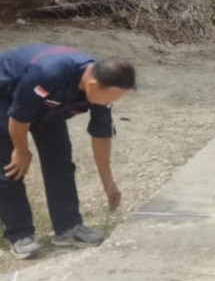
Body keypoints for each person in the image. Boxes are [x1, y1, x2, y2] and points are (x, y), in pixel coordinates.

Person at [0, 44, 135, 260]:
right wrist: (21, 150)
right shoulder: (48, 73)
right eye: (108, 99)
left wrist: (108, 183)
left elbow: (101, 136)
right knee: (11, 168)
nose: (109, 103)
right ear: (91, 85)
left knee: (60, 162)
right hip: (6, 99)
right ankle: (20, 235)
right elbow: (18, 116)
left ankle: (68, 227)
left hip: (49, 105)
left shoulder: (101, 86)